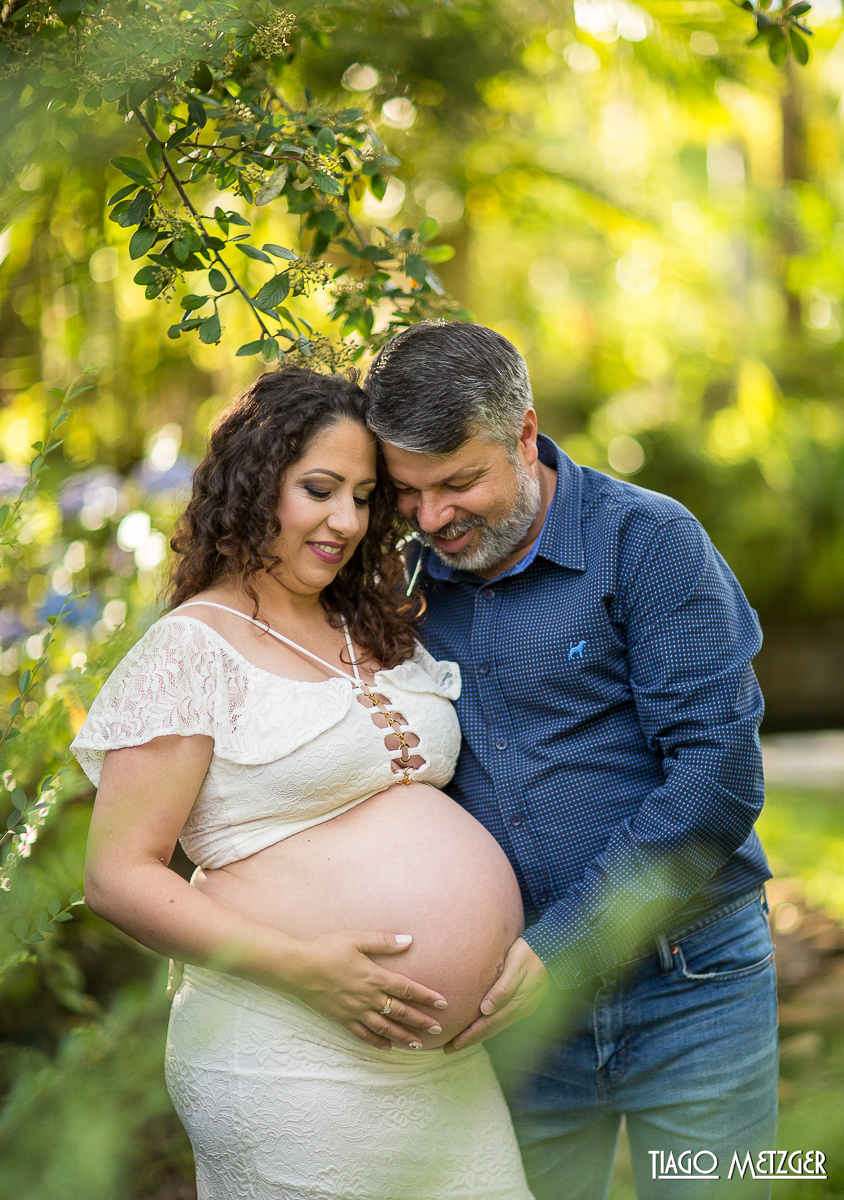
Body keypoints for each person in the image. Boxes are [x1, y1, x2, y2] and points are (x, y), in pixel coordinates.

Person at [71, 367, 535, 1200]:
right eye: (318, 490)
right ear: (255, 486)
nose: (346, 521)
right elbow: (116, 875)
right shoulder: (192, 650)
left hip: (446, 1074)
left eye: (363, 496)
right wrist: (305, 967)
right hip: (286, 1050)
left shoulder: (375, 627)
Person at [365, 321, 778, 1200]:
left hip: (692, 981)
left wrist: (565, 945)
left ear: (524, 434)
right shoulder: (401, 581)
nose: (433, 517)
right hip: (511, 1016)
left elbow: (718, 776)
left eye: (459, 482)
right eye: (408, 492)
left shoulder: (651, 544)